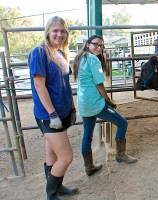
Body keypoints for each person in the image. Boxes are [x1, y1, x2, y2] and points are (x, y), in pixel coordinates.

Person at [28, 16, 78, 200]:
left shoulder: (61, 53)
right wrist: (52, 114)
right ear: (48, 31)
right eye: (55, 30)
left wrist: (72, 108)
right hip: (49, 115)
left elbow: (66, 84)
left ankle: (58, 187)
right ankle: (51, 194)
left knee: (52, 152)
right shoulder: (40, 52)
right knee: (66, 157)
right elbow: (39, 86)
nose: (59, 34)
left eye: (63, 31)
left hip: (61, 112)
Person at [73, 35, 138, 176]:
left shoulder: (79, 58)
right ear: (88, 44)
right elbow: (99, 84)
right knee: (122, 123)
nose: (99, 48)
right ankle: (120, 155)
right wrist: (108, 100)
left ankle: (89, 166)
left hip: (84, 103)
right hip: (95, 102)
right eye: (96, 44)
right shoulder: (92, 59)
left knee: (87, 135)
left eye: (101, 46)